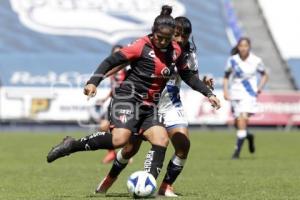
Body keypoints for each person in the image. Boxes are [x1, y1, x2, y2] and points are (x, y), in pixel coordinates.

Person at [46, 5, 220, 184]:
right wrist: (93, 81)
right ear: (153, 33)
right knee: (120, 140)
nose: (162, 42)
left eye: (166, 39)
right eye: (159, 38)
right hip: (128, 98)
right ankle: (72, 145)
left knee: (161, 140)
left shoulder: (176, 50)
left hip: (150, 105)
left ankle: (147, 186)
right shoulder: (141, 45)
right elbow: (112, 61)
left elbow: (188, 75)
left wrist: (208, 93)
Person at [95, 16, 215, 197]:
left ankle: (165, 186)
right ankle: (110, 178)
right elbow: (124, 61)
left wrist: (204, 85)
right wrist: (99, 78)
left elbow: (190, 75)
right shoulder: (152, 45)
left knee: (183, 145)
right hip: (147, 102)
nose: (181, 39)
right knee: (130, 148)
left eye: (185, 36)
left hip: (171, 103)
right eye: (178, 35)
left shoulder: (189, 52)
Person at [223, 37, 268, 159]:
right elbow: (226, 76)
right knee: (238, 124)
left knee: (242, 120)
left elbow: (264, 75)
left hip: (249, 94)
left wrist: (259, 87)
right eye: (241, 46)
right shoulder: (232, 60)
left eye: (245, 46)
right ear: (238, 47)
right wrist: (225, 91)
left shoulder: (256, 60)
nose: (243, 48)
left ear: (249, 47)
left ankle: (236, 152)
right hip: (235, 94)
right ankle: (249, 136)